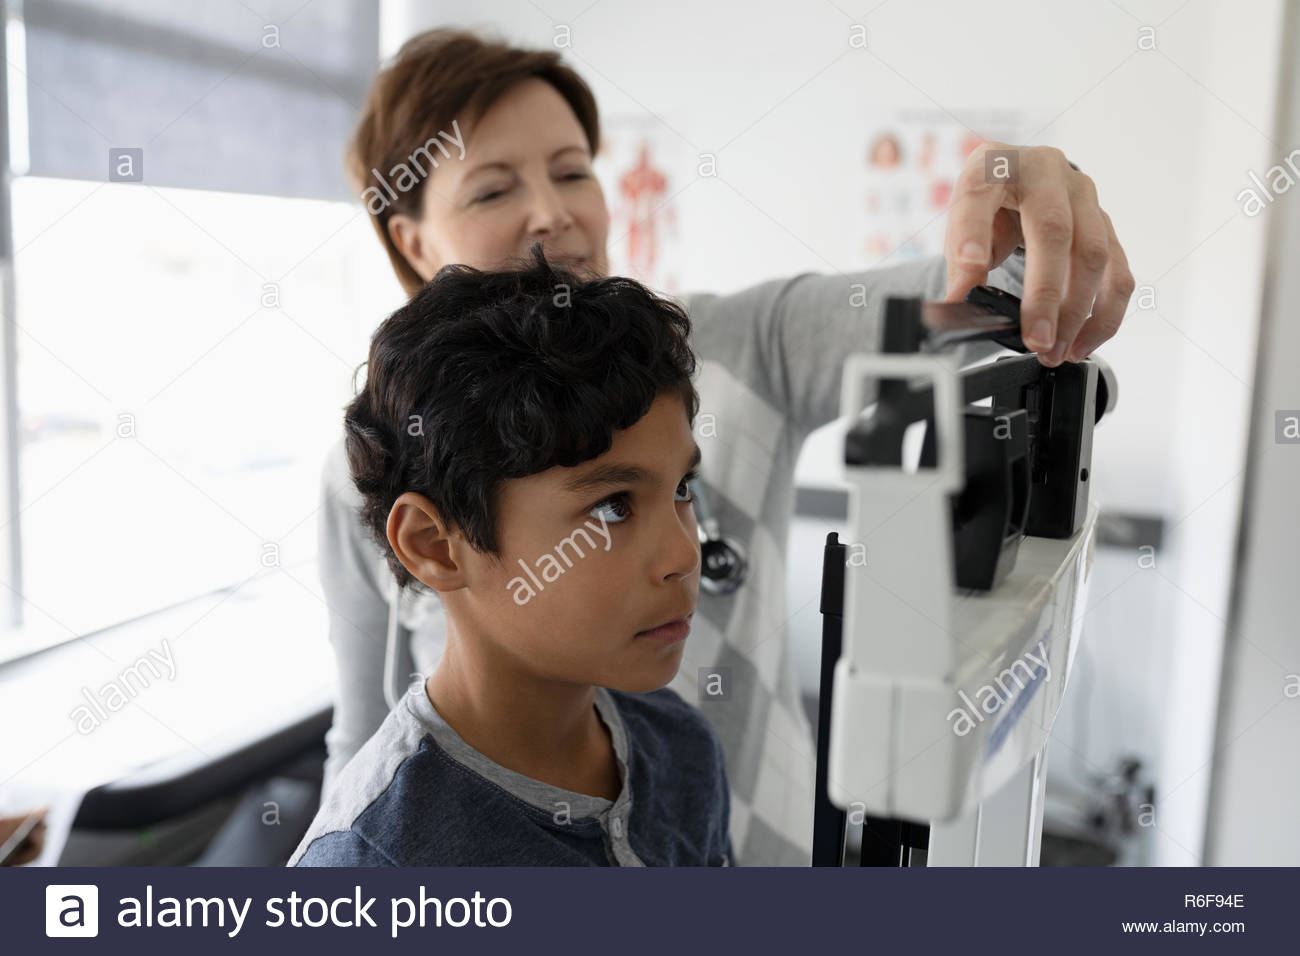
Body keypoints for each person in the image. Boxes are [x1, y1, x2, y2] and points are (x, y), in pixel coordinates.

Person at [317, 28, 1135, 866]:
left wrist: (1028, 227)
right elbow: (363, 736)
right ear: (412, 240)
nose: (554, 213)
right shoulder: (375, 470)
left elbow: (992, 310)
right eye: (494, 189)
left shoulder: (739, 345)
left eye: (572, 171)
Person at [291, 249, 729, 866]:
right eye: (612, 507)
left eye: (682, 489)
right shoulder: (376, 865)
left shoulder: (680, 744)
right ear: (434, 545)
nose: (683, 554)